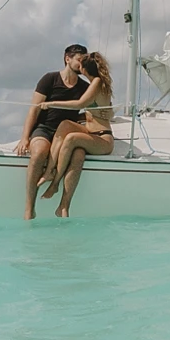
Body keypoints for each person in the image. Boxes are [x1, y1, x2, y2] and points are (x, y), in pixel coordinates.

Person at [16, 43, 90, 220]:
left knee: (78, 154)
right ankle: (29, 207)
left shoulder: (84, 87)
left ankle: (63, 206)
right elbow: (33, 110)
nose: (82, 65)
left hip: (66, 134)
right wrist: (24, 138)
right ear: (67, 59)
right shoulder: (49, 79)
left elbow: (87, 112)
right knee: (39, 152)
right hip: (44, 129)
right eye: (80, 60)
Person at [37, 52, 114, 217]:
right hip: (91, 132)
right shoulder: (98, 83)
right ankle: (50, 172)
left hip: (103, 138)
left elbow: (79, 104)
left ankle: (55, 182)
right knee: (66, 126)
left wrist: (50, 104)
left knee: (72, 138)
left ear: (85, 69)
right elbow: (106, 110)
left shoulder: (97, 82)